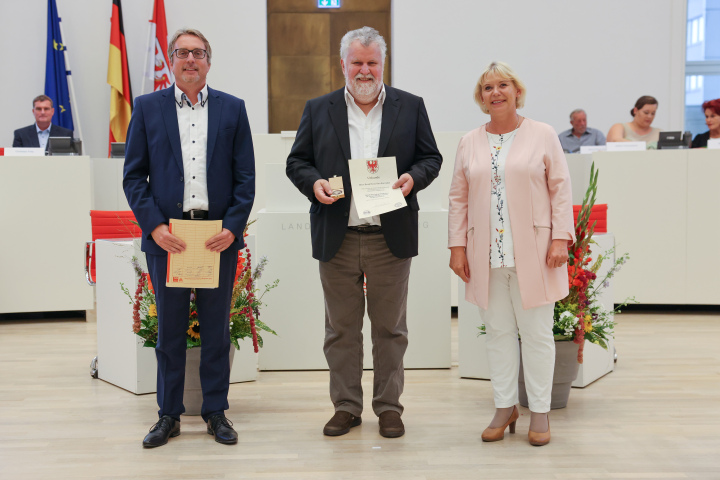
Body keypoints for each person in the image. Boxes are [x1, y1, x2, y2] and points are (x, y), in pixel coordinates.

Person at [286, 26, 442, 439]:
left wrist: (412, 177)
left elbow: (431, 157)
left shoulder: (411, 106)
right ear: (343, 64)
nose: (365, 70)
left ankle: (389, 408)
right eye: (357, 62)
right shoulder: (319, 109)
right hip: (337, 235)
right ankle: (347, 407)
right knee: (340, 330)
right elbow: (297, 162)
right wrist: (314, 184)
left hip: (390, 237)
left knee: (390, 330)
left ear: (383, 64)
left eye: (372, 62)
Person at [123, 28, 255, 448]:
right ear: (171, 60)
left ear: (209, 61)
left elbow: (245, 179)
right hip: (169, 238)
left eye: (198, 53)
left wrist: (231, 227)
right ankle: (168, 415)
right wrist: (154, 226)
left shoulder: (233, 109)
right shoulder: (146, 108)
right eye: (182, 53)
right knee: (170, 330)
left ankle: (216, 411)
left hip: (216, 237)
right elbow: (133, 177)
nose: (190, 60)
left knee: (216, 329)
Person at [448, 61, 575, 447]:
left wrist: (560, 239)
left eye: (503, 85)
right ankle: (505, 407)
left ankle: (539, 410)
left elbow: (560, 187)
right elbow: (458, 196)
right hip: (485, 255)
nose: (496, 92)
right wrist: (456, 246)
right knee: (497, 334)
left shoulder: (543, 134)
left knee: (536, 335)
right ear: (480, 97)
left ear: (517, 91)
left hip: (535, 254)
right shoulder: (469, 141)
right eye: (488, 87)